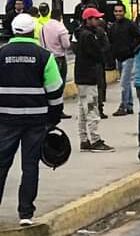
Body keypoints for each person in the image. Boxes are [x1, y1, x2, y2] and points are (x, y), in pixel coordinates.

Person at [0, 13, 64, 226]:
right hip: (35, 120)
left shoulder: (1, 54)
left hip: (5, 119)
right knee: (30, 166)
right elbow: (55, 89)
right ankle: (26, 213)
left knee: (1, 165)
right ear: (33, 31)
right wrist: (54, 117)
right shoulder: (44, 56)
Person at [73, 8, 112, 152]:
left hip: (81, 75)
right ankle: (95, 140)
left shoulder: (80, 33)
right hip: (88, 76)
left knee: (83, 110)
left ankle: (84, 139)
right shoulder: (88, 36)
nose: (98, 21)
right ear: (88, 20)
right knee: (91, 108)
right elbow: (97, 54)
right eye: (95, 18)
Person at [109, 2, 140, 117]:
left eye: (120, 11)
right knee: (126, 82)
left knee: (124, 82)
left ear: (124, 12)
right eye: (116, 11)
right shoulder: (113, 26)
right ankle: (129, 105)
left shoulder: (130, 25)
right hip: (119, 58)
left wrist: (131, 49)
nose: (118, 13)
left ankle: (123, 105)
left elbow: (139, 37)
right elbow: (111, 41)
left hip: (128, 57)